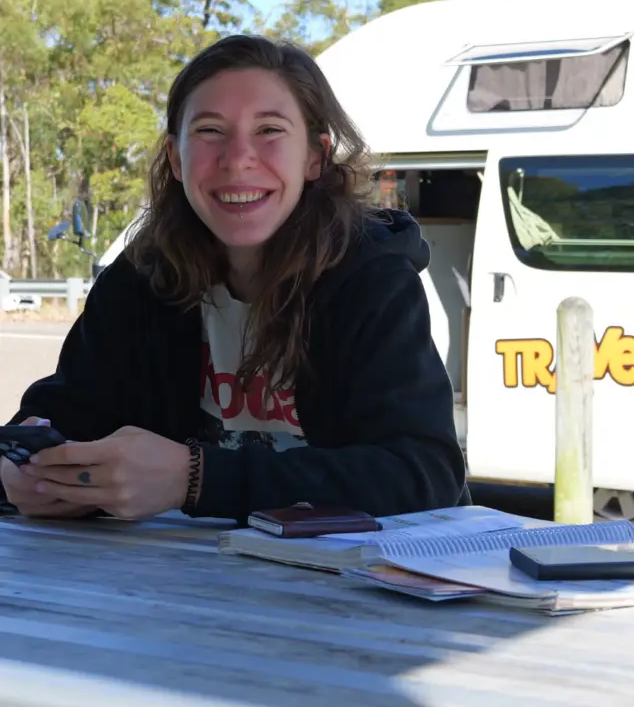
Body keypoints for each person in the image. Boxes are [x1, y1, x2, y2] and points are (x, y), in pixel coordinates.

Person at [1, 35, 467, 522]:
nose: (237, 157)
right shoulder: (140, 281)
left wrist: (194, 477)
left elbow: (423, 475)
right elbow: (62, 414)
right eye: (209, 131)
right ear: (177, 161)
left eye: (269, 129)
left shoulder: (370, 278)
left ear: (315, 157)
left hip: (356, 586)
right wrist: (22, 475)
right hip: (177, 585)